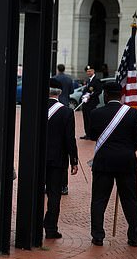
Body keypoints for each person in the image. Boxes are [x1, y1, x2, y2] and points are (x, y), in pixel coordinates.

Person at [89, 81, 137, 246]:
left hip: (103, 162)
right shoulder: (132, 114)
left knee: (99, 199)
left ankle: (98, 235)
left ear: (105, 95)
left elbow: (91, 136)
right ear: (121, 95)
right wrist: (126, 151)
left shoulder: (96, 113)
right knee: (130, 199)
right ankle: (134, 237)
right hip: (126, 162)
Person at [44, 78, 79, 239]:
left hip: (38, 160)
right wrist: (74, 161)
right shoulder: (66, 112)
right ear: (60, 93)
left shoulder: (37, 109)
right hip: (58, 160)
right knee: (54, 195)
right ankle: (51, 228)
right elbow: (70, 139)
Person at [80, 65, 102, 140]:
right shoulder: (88, 81)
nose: (88, 73)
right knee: (85, 118)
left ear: (93, 71)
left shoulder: (96, 80)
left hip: (92, 103)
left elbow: (99, 91)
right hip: (86, 103)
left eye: (90, 71)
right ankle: (87, 134)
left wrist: (90, 96)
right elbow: (85, 91)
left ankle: (91, 134)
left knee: (90, 119)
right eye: (87, 71)